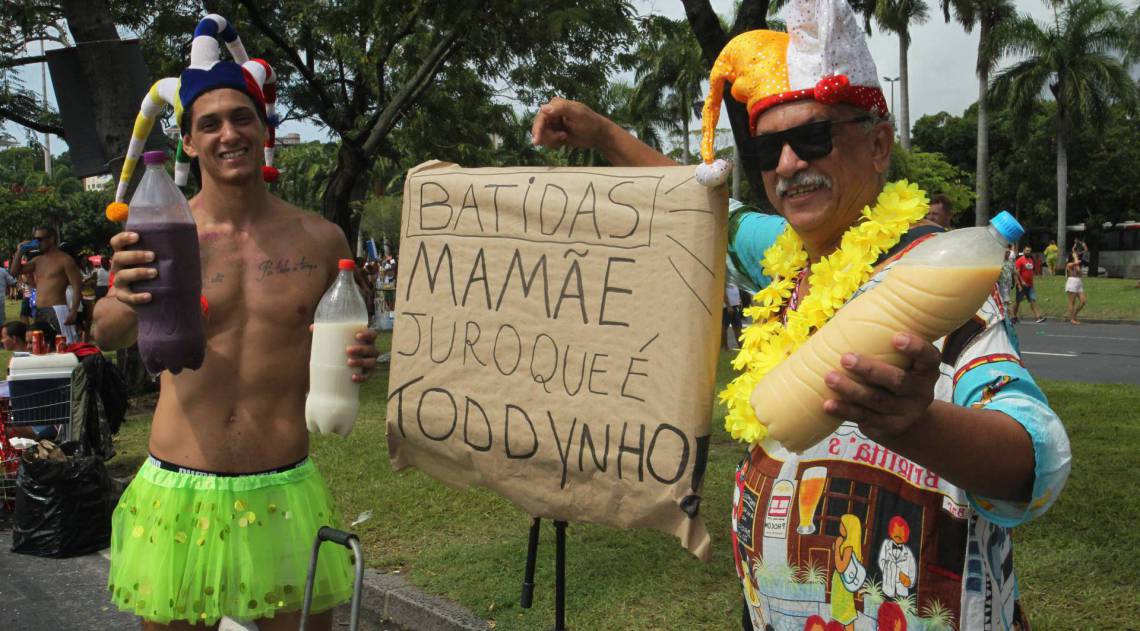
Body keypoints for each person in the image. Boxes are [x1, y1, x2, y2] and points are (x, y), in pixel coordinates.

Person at [532, 2, 1070, 629]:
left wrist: (915, 425)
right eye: (768, 150)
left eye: (813, 139)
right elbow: (697, 202)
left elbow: (1038, 460)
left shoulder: (941, 280)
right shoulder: (784, 256)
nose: (788, 165)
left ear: (878, 145)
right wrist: (604, 135)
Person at [93, 15, 376, 631]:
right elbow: (106, 332)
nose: (229, 133)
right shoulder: (162, 232)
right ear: (189, 142)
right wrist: (127, 294)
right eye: (210, 123)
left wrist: (360, 357)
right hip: (177, 489)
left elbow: (346, 342)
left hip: (282, 489)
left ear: (262, 126)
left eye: (241, 117)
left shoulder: (321, 239)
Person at [9, 226, 83, 342]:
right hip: (39, 310)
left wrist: (74, 311)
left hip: (57, 310)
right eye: (35, 239)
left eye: (39, 239)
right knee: (42, 344)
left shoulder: (65, 260)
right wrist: (20, 251)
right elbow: (14, 272)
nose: (36, 242)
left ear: (52, 239)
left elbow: (77, 287)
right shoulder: (38, 260)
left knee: (63, 344)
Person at [1013, 246, 1045, 323]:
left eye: (1029, 251)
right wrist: (1020, 283)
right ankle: (1014, 316)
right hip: (1022, 285)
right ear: (1024, 251)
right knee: (1018, 301)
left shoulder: (1030, 260)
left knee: (1032, 300)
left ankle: (1038, 316)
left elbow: (1031, 272)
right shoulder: (1020, 260)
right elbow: (1016, 273)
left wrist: (1032, 283)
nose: (1028, 252)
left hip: (1030, 285)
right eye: (1027, 250)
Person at [1064, 252, 1087, 325]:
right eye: (1075, 255)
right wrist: (1075, 259)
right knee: (1072, 302)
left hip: (1078, 282)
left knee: (1083, 301)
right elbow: (1073, 264)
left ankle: (1074, 315)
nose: (1076, 256)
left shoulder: (1077, 265)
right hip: (1072, 282)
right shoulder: (1069, 264)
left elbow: (1079, 271)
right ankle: (1072, 319)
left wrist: (1081, 272)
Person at [723, 282, 744, 350]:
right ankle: (725, 347)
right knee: (724, 328)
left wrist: (739, 300)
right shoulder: (724, 279)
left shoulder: (734, 279)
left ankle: (741, 347)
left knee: (738, 327)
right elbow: (723, 292)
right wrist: (728, 305)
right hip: (727, 308)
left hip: (735, 306)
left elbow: (736, 290)